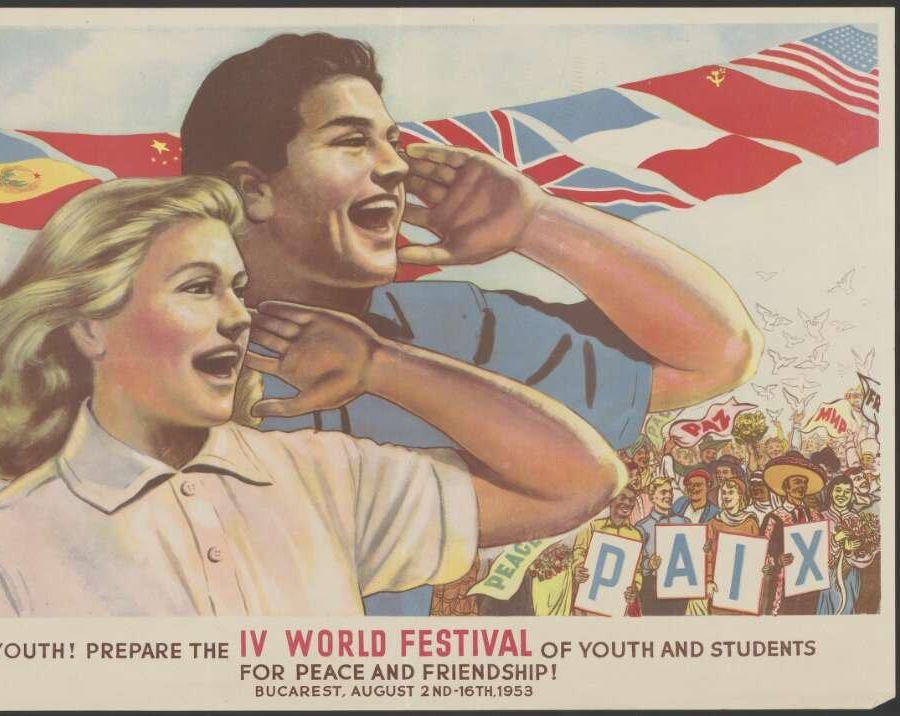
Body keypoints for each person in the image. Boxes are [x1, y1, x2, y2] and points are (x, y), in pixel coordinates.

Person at [180, 32, 762, 616]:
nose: (395, 166)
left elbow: (713, 357)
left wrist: (536, 223)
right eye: (352, 142)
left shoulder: (445, 325)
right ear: (253, 189)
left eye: (392, 142)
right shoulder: (162, 348)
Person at [0, 177, 629, 617]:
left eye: (238, 288)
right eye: (198, 288)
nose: (238, 316)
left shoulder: (325, 477)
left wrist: (384, 366)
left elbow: (578, 481)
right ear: (88, 326)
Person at [759, 452, 826, 616]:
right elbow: (760, 551)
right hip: (782, 587)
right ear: (786, 487)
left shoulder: (816, 516)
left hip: (811, 586)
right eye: (796, 482)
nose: (801, 486)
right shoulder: (773, 518)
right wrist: (777, 560)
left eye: (804, 482)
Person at [571, 486, 643, 616]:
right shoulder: (592, 526)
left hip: (618, 605)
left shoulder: (636, 535)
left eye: (631, 500)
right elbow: (579, 551)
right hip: (589, 602)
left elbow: (637, 570)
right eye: (623, 498)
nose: (627, 503)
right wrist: (577, 568)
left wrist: (635, 588)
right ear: (611, 501)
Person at [816, 477, 876, 615]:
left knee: (848, 606)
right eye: (838, 490)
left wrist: (850, 551)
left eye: (847, 492)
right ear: (830, 492)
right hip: (827, 574)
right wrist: (836, 539)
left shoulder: (856, 518)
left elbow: (863, 553)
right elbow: (816, 551)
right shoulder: (820, 517)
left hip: (850, 575)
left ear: (851, 495)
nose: (842, 495)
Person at [705, 477, 761, 615]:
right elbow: (708, 555)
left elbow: (756, 556)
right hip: (720, 586)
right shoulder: (714, 523)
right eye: (724, 493)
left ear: (740, 495)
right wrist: (709, 580)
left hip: (744, 588)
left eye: (731, 492)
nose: (726, 496)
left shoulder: (750, 523)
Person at [635, 478, 691, 615]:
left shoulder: (685, 522)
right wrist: (649, 564)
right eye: (663, 492)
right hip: (652, 588)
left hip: (679, 586)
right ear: (652, 497)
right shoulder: (642, 527)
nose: (669, 495)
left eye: (671, 492)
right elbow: (635, 563)